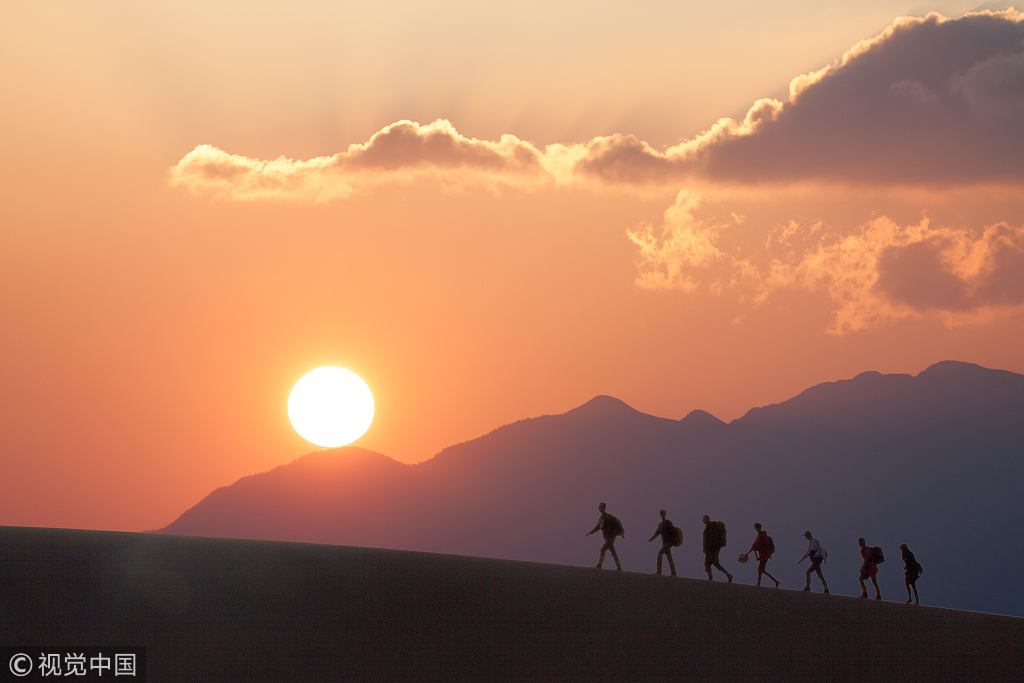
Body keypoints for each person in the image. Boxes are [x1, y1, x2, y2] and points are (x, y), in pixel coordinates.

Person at [586, 502, 623, 570]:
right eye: (599, 507)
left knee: (603, 549)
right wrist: (591, 532)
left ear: (604, 508)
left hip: (611, 537)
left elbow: (613, 525)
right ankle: (619, 567)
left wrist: (620, 533)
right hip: (607, 538)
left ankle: (600, 564)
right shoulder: (601, 518)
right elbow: (598, 527)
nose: (599, 508)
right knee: (613, 552)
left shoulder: (608, 517)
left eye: (601, 507)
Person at [742, 522, 780, 587]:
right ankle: (774, 581)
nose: (756, 529)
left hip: (764, 555)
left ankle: (761, 583)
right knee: (761, 569)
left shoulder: (763, 536)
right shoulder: (760, 536)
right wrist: (749, 553)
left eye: (756, 528)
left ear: (758, 528)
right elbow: (755, 546)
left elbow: (762, 546)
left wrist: (767, 555)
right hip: (763, 555)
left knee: (760, 569)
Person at [702, 515, 733, 582]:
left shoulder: (712, 526)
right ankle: (727, 575)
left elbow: (711, 538)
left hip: (712, 548)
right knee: (713, 563)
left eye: (704, 519)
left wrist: (710, 547)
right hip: (711, 548)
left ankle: (711, 578)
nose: (703, 520)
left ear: (708, 519)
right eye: (703, 519)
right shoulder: (709, 526)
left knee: (711, 563)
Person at [647, 509, 678, 576]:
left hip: (668, 542)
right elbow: (657, 533)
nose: (662, 514)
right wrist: (650, 539)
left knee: (659, 554)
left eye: (663, 513)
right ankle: (674, 572)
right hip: (664, 543)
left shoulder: (668, 522)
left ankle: (659, 571)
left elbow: (673, 531)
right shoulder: (660, 524)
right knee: (669, 557)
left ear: (665, 514)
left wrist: (673, 541)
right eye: (661, 513)